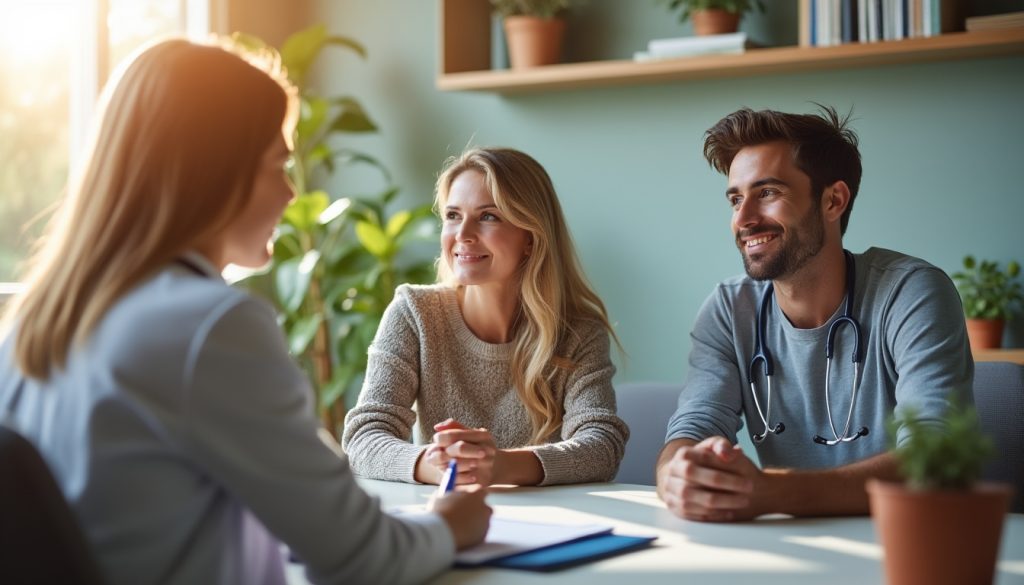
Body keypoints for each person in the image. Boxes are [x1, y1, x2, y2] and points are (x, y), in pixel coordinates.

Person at [0, 38, 490, 585]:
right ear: (211, 172)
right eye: (277, 165)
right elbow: (362, 559)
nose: (289, 193)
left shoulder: (29, 327)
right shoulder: (208, 326)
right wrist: (450, 524)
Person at [656, 106, 972, 522]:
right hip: (791, 543)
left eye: (767, 193)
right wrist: (676, 472)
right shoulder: (730, 309)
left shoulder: (910, 293)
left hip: (904, 538)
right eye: (736, 198)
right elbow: (694, 426)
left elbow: (932, 459)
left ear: (833, 200)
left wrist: (773, 492)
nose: (744, 219)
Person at [343, 147, 629, 487]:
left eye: (488, 216)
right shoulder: (414, 313)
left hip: (551, 522)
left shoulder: (578, 332)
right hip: (448, 518)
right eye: (452, 215)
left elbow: (601, 447)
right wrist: (437, 465)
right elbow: (364, 437)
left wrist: (500, 466)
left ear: (530, 237)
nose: (462, 234)